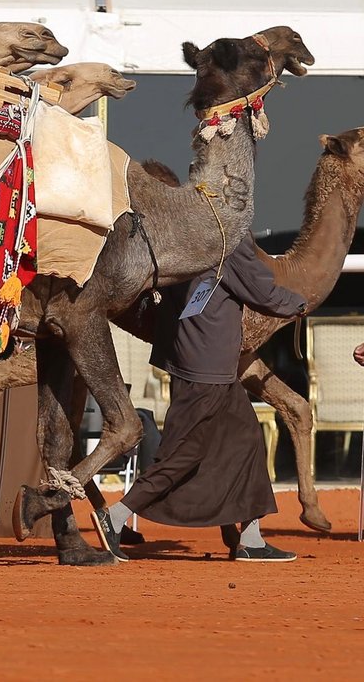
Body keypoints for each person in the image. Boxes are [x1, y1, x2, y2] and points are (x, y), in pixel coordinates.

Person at [93, 233, 307, 562]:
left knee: (246, 439)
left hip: (198, 361)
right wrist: (298, 303)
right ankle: (116, 517)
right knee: (184, 453)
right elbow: (259, 290)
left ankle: (250, 538)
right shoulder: (227, 240)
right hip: (208, 369)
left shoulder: (185, 234)